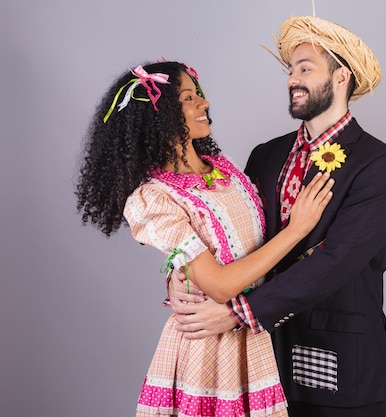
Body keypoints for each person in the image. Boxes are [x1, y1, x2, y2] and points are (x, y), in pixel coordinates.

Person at [169, 15, 386, 417]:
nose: (292, 79)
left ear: (341, 77)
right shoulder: (266, 154)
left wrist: (235, 313)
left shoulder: (379, 164)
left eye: (305, 69)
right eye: (291, 70)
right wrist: (183, 274)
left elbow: (336, 262)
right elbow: (227, 231)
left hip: (338, 366)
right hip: (259, 360)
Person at [75, 60, 334, 417]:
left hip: (249, 335)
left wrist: (177, 276)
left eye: (199, 94)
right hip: (207, 350)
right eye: (187, 98)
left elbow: (234, 250)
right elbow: (220, 285)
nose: (204, 104)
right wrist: (297, 230)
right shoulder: (154, 199)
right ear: (159, 115)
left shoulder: (224, 167)